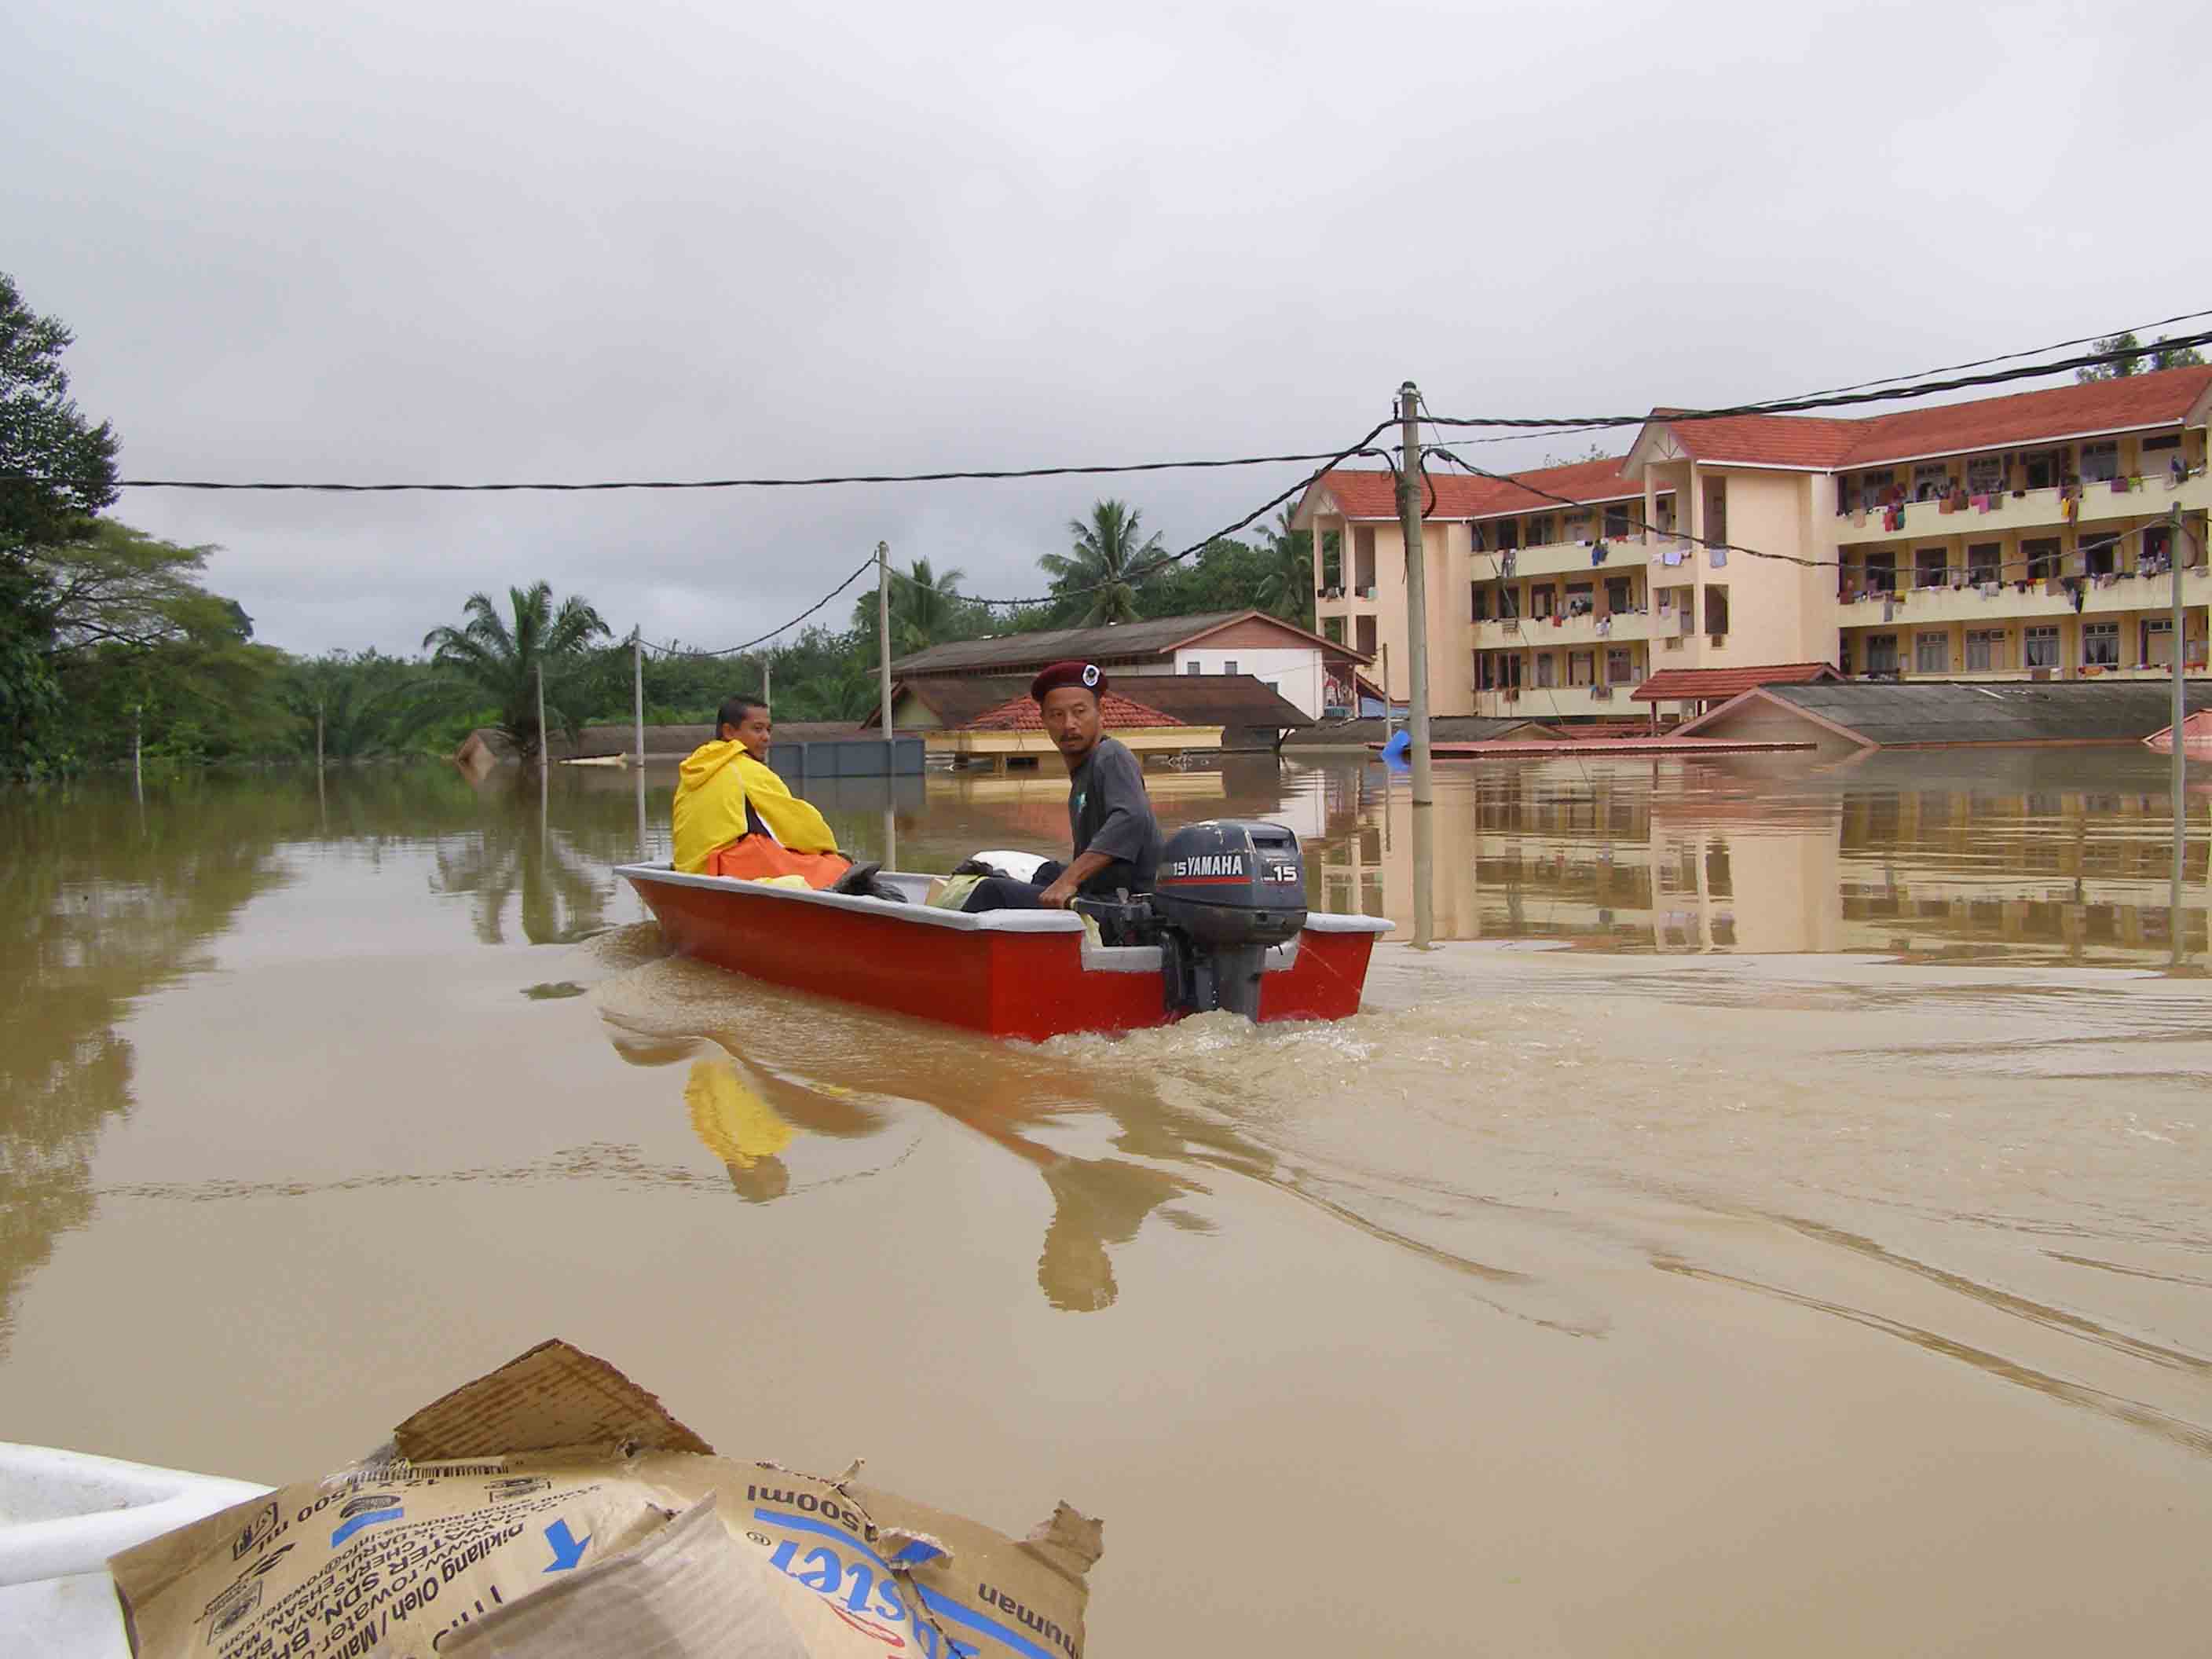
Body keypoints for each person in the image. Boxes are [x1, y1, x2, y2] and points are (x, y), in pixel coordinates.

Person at [961, 661, 1162, 912]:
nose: (1069, 724)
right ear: (1043, 720)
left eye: (1079, 712)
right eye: (1057, 715)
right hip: (1102, 894)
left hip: (1126, 908)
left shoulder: (1111, 755)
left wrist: (1068, 881)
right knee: (1047, 873)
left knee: (992, 892)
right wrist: (1061, 879)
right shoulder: (1085, 771)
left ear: (1100, 712)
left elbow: (1131, 818)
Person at [672, 696, 880, 892]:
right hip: (722, 867)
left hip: (690, 868)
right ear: (729, 732)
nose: (766, 737)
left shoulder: (695, 768)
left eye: (768, 730)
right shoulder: (745, 769)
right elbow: (799, 826)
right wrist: (830, 852)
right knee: (834, 866)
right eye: (757, 729)